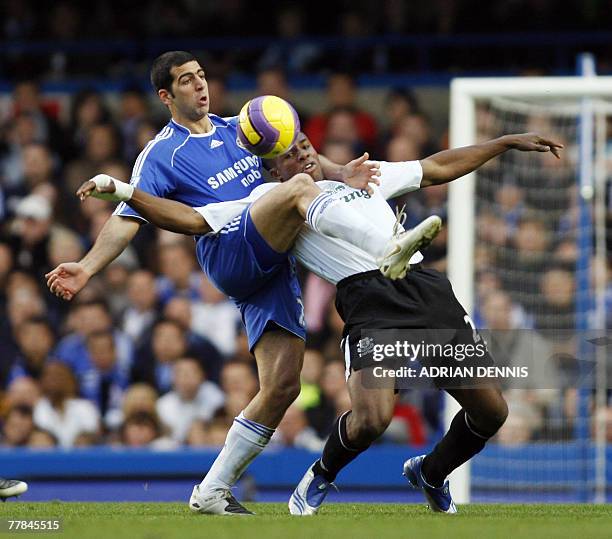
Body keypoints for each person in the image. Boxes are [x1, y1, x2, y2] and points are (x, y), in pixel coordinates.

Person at [79, 129, 562, 514]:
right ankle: (320, 477)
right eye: (291, 154)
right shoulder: (272, 201)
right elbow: (189, 219)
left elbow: (435, 166)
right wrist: (124, 190)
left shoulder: (368, 179)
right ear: (274, 169)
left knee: (491, 412)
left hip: (423, 289)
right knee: (372, 419)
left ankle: (431, 473)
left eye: (306, 146)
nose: (304, 157)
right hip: (369, 298)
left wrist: (501, 144)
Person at [44, 51, 428, 515]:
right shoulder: (163, 152)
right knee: (299, 189)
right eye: (186, 81)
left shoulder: (238, 130)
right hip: (230, 249)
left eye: (202, 75)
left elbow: (292, 151)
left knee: (283, 385)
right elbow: (129, 218)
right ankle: (387, 246)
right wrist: (87, 266)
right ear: (166, 96)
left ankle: (211, 490)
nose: (200, 86)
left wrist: (339, 171)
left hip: (271, 261)